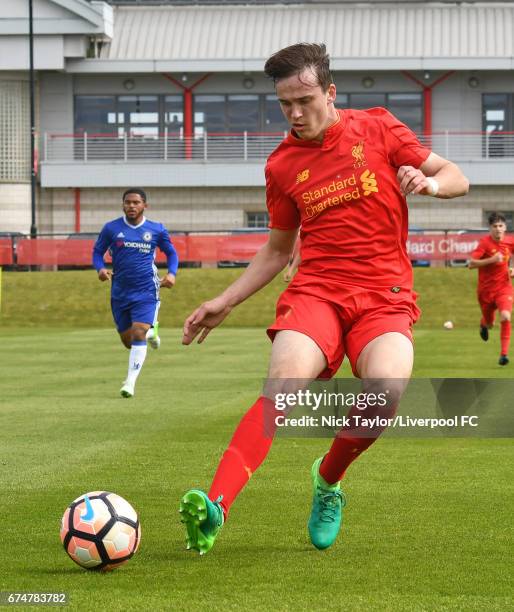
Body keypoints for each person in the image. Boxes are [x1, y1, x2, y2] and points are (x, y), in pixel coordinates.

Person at [179, 43, 469, 555]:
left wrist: (429, 183)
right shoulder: (282, 165)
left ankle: (328, 481)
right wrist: (225, 300)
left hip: (385, 295)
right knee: (282, 390)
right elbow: (276, 252)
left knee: (386, 393)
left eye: (304, 100)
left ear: (330, 93)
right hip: (317, 292)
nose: (294, 113)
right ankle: (216, 505)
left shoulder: (378, 128)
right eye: (285, 103)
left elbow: (457, 177)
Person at [93, 188, 178, 397]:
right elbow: (97, 252)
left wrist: (172, 274)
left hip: (146, 290)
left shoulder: (156, 229)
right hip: (120, 292)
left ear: (144, 205)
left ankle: (129, 383)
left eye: (136, 202)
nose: (132, 206)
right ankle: (151, 332)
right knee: (128, 341)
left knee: (138, 332)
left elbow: (171, 252)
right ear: (123, 205)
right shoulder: (111, 228)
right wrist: (100, 269)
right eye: (128, 202)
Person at [468, 212, 514, 365]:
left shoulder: (509, 241)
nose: (498, 229)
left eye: (501, 226)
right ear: (490, 228)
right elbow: (471, 264)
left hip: (504, 288)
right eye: (495, 226)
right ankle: (484, 323)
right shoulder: (484, 244)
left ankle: (504, 354)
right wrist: (492, 260)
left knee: (506, 316)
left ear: (505, 227)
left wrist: (513, 267)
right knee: (490, 324)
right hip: (485, 292)